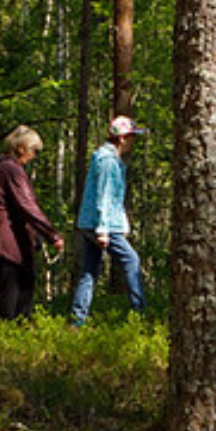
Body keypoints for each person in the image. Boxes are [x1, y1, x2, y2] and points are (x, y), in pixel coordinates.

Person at [70, 116, 149, 325]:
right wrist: (103, 230)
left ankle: (78, 319)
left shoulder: (109, 158)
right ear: (122, 138)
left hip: (92, 223)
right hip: (101, 225)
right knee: (132, 261)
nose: (133, 141)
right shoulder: (107, 160)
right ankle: (138, 313)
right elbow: (104, 195)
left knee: (89, 271)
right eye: (132, 137)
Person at [0, 125, 65, 321]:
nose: (34, 156)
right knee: (10, 300)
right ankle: (7, 340)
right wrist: (52, 235)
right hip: (8, 245)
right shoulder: (10, 170)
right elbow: (27, 206)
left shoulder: (3, 166)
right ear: (22, 148)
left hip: (14, 243)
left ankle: (17, 339)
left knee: (21, 295)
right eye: (33, 151)